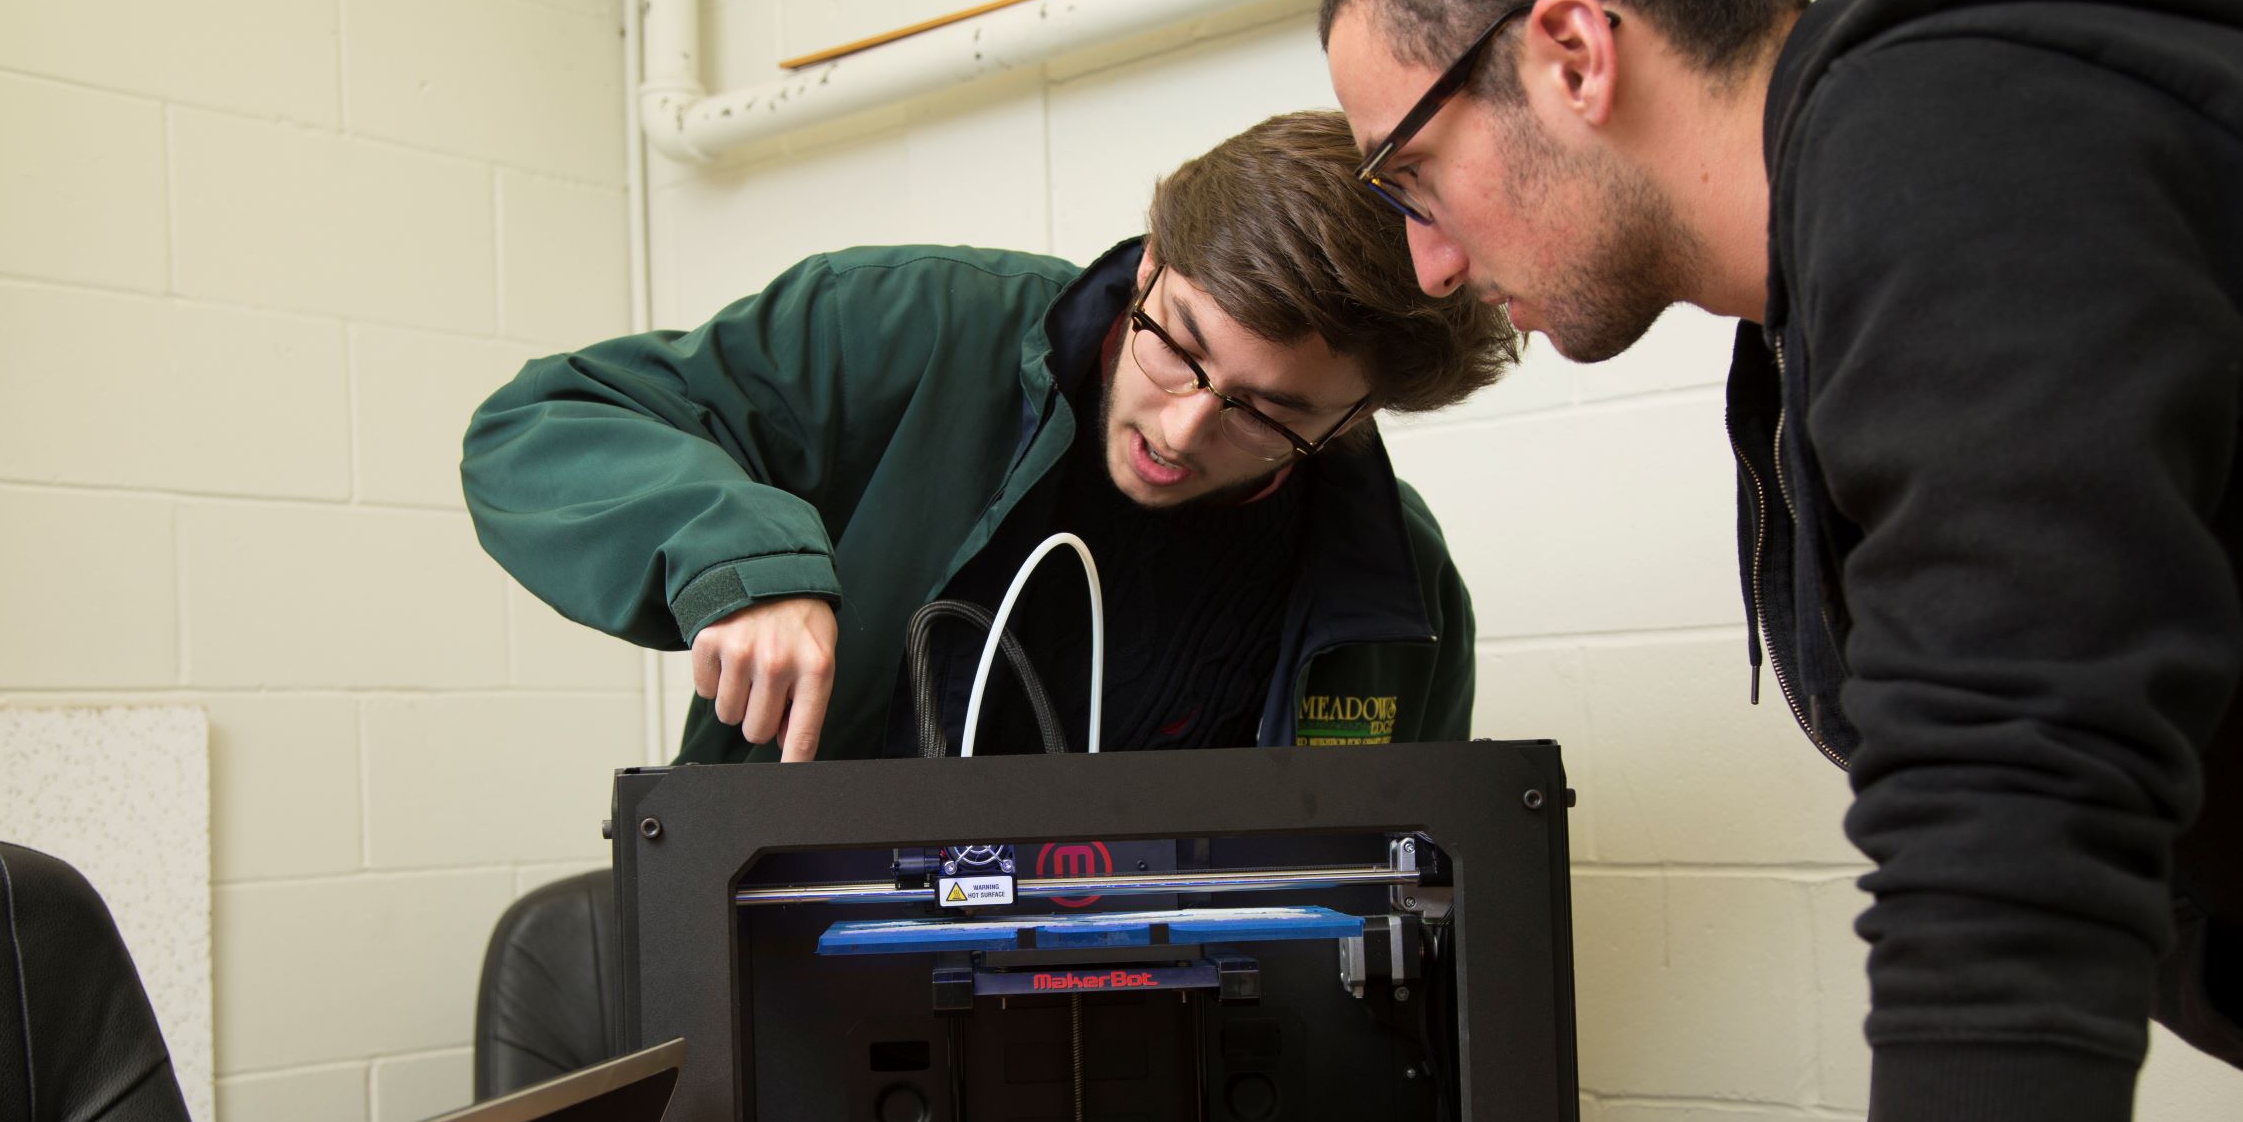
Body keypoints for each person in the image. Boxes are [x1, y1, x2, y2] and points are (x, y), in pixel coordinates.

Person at [1317, 0, 2243, 1122]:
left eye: (1412, 175)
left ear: (1570, 53)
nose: (1425, 259)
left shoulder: (1966, 159)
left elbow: (2015, 870)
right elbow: (1951, 851)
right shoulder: (1817, 301)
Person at [462, 111, 1512, 764]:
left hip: (1152, 1068)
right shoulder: (907, 328)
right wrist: (738, 557)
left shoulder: (1397, 596)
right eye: (1176, 346)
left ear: (1350, 420)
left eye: (1266, 411)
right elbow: (543, 425)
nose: (1185, 427)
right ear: (1149, 264)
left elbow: (1400, 904)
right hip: (803, 998)